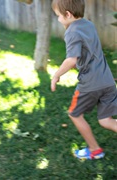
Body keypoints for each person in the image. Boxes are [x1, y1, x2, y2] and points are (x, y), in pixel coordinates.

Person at [51, 0, 117, 160]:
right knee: (105, 120)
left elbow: (71, 59)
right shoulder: (88, 24)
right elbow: (88, 50)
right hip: (107, 81)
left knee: (74, 114)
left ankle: (95, 150)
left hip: (90, 84)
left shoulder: (71, 32)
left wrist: (56, 75)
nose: (58, 19)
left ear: (68, 14)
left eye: (59, 16)